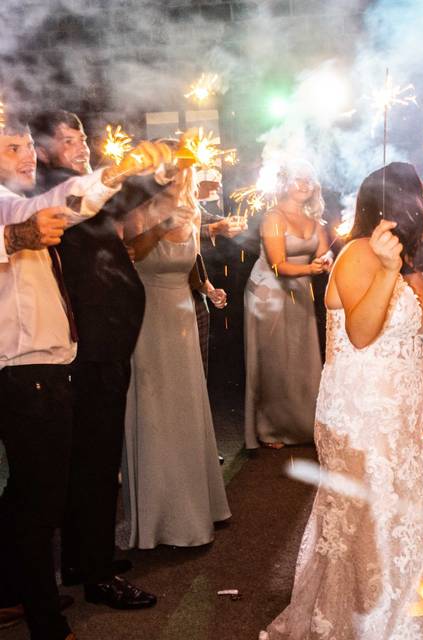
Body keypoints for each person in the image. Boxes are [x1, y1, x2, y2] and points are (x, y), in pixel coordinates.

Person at [0, 111, 169, 640]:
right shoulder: (16, 204)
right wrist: (14, 237)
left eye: (28, 145)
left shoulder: (26, 198)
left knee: (41, 491)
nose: (26, 155)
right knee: (39, 495)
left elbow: (66, 203)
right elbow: (35, 217)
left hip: (57, 360)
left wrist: (115, 176)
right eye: (13, 147)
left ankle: (28, 590)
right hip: (26, 367)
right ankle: (45, 609)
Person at [261, 162, 423, 639]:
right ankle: (367, 624)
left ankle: (401, 616)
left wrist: (411, 265)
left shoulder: (408, 260)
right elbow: (362, 335)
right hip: (365, 410)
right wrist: (389, 272)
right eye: (421, 195)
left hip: (402, 410)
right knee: (371, 520)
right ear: (401, 203)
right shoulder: (359, 255)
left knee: (401, 516)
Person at [121, 166, 231, 550]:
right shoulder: (138, 209)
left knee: (187, 408)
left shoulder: (193, 209)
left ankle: (197, 508)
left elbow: (192, 264)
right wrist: (163, 223)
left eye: (184, 170)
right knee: (155, 411)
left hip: (183, 312)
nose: (179, 177)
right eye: (172, 169)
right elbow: (131, 254)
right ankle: (160, 519)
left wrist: (209, 288)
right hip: (147, 315)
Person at [244, 161, 332, 449]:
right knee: (274, 360)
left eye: (309, 179)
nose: (305, 184)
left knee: (301, 356)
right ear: (284, 184)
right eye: (298, 179)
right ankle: (271, 427)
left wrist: (327, 261)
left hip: (301, 291)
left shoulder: (316, 222)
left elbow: (323, 257)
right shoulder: (274, 218)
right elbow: (278, 265)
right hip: (269, 293)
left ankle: (304, 423)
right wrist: (313, 270)